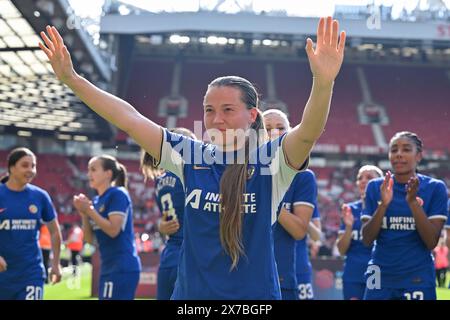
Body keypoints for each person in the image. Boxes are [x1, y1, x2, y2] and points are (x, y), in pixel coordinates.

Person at [40, 17, 346, 299]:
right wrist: (71, 79)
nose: (216, 119)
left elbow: (308, 131)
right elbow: (129, 119)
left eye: (228, 109)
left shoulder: (270, 161)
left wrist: (323, 82)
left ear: (252, 115)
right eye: (209, 110)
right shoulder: (189, 154)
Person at [361, 131, 448, 300]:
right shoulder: (375, 187)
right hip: (379, 273)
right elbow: (366, 239)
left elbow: (431, 242)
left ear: (419, 156)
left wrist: (413, 203)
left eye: (406, 149)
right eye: (394, 150)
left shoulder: (435, 188)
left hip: (418, 274)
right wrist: (383, 204)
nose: (399, 154)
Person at [263, 108, 321, 300]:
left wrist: (270, 197)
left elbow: (299, 231)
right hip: (244, 273)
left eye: (280, 128)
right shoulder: (242, 171)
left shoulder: (303, 176)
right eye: (267, 127)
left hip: (283, 275)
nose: (274, 132)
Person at [73, 155, 142, 300]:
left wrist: (89, 210)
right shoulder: (97, 200)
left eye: (93, 169)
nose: (89, 174)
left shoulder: (118, 194)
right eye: (88, 170)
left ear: (108, 173)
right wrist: (84, 214)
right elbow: (89, 240)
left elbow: (113, 230)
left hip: (122, 266)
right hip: (108, 266)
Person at [140, 127, 196, 300]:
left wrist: (160, 226)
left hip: (170, 256)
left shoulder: (160, 180)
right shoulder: (193, 174)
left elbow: (168, 219)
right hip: (192, 258)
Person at [0, 148, 62, 300]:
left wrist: (55, 264)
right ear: (11, 168)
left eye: (33, 166)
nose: (30, 170)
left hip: (31, 273)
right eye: (25, 165)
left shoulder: (40, 196)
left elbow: (54, 231)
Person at [336, 165, 383, 300]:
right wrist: (349, 227)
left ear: (379, 182)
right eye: (359, 178)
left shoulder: (387, 208)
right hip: (353, 274)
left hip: (380, 272)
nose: (363, 181)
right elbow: (341, 250)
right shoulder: (349, 209)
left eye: (369, 177)